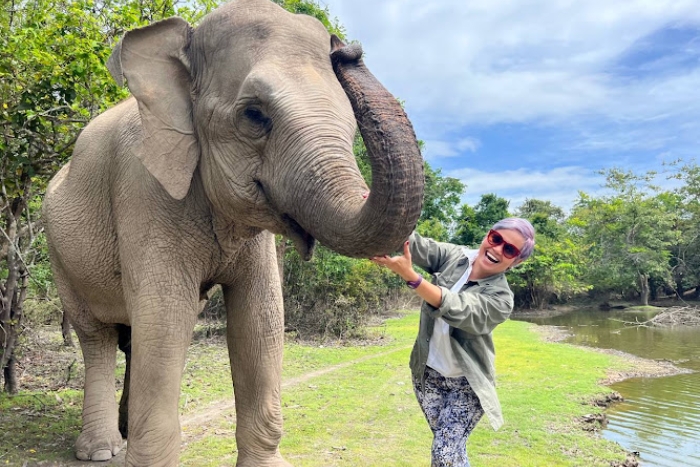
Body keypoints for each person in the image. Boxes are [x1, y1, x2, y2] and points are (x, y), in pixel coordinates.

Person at [371, 217, 535, 467]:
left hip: (466, 386)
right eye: (496, 239)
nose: (497, 249)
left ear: (518, 261)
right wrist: (386, 215)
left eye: (509, 249)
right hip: (428, 376)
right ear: (488, 235)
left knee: (445, 452)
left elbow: (459, 309)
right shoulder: (455, 257)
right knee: (450, 450)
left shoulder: (502, 299)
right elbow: (416, 245)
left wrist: (412, 278)